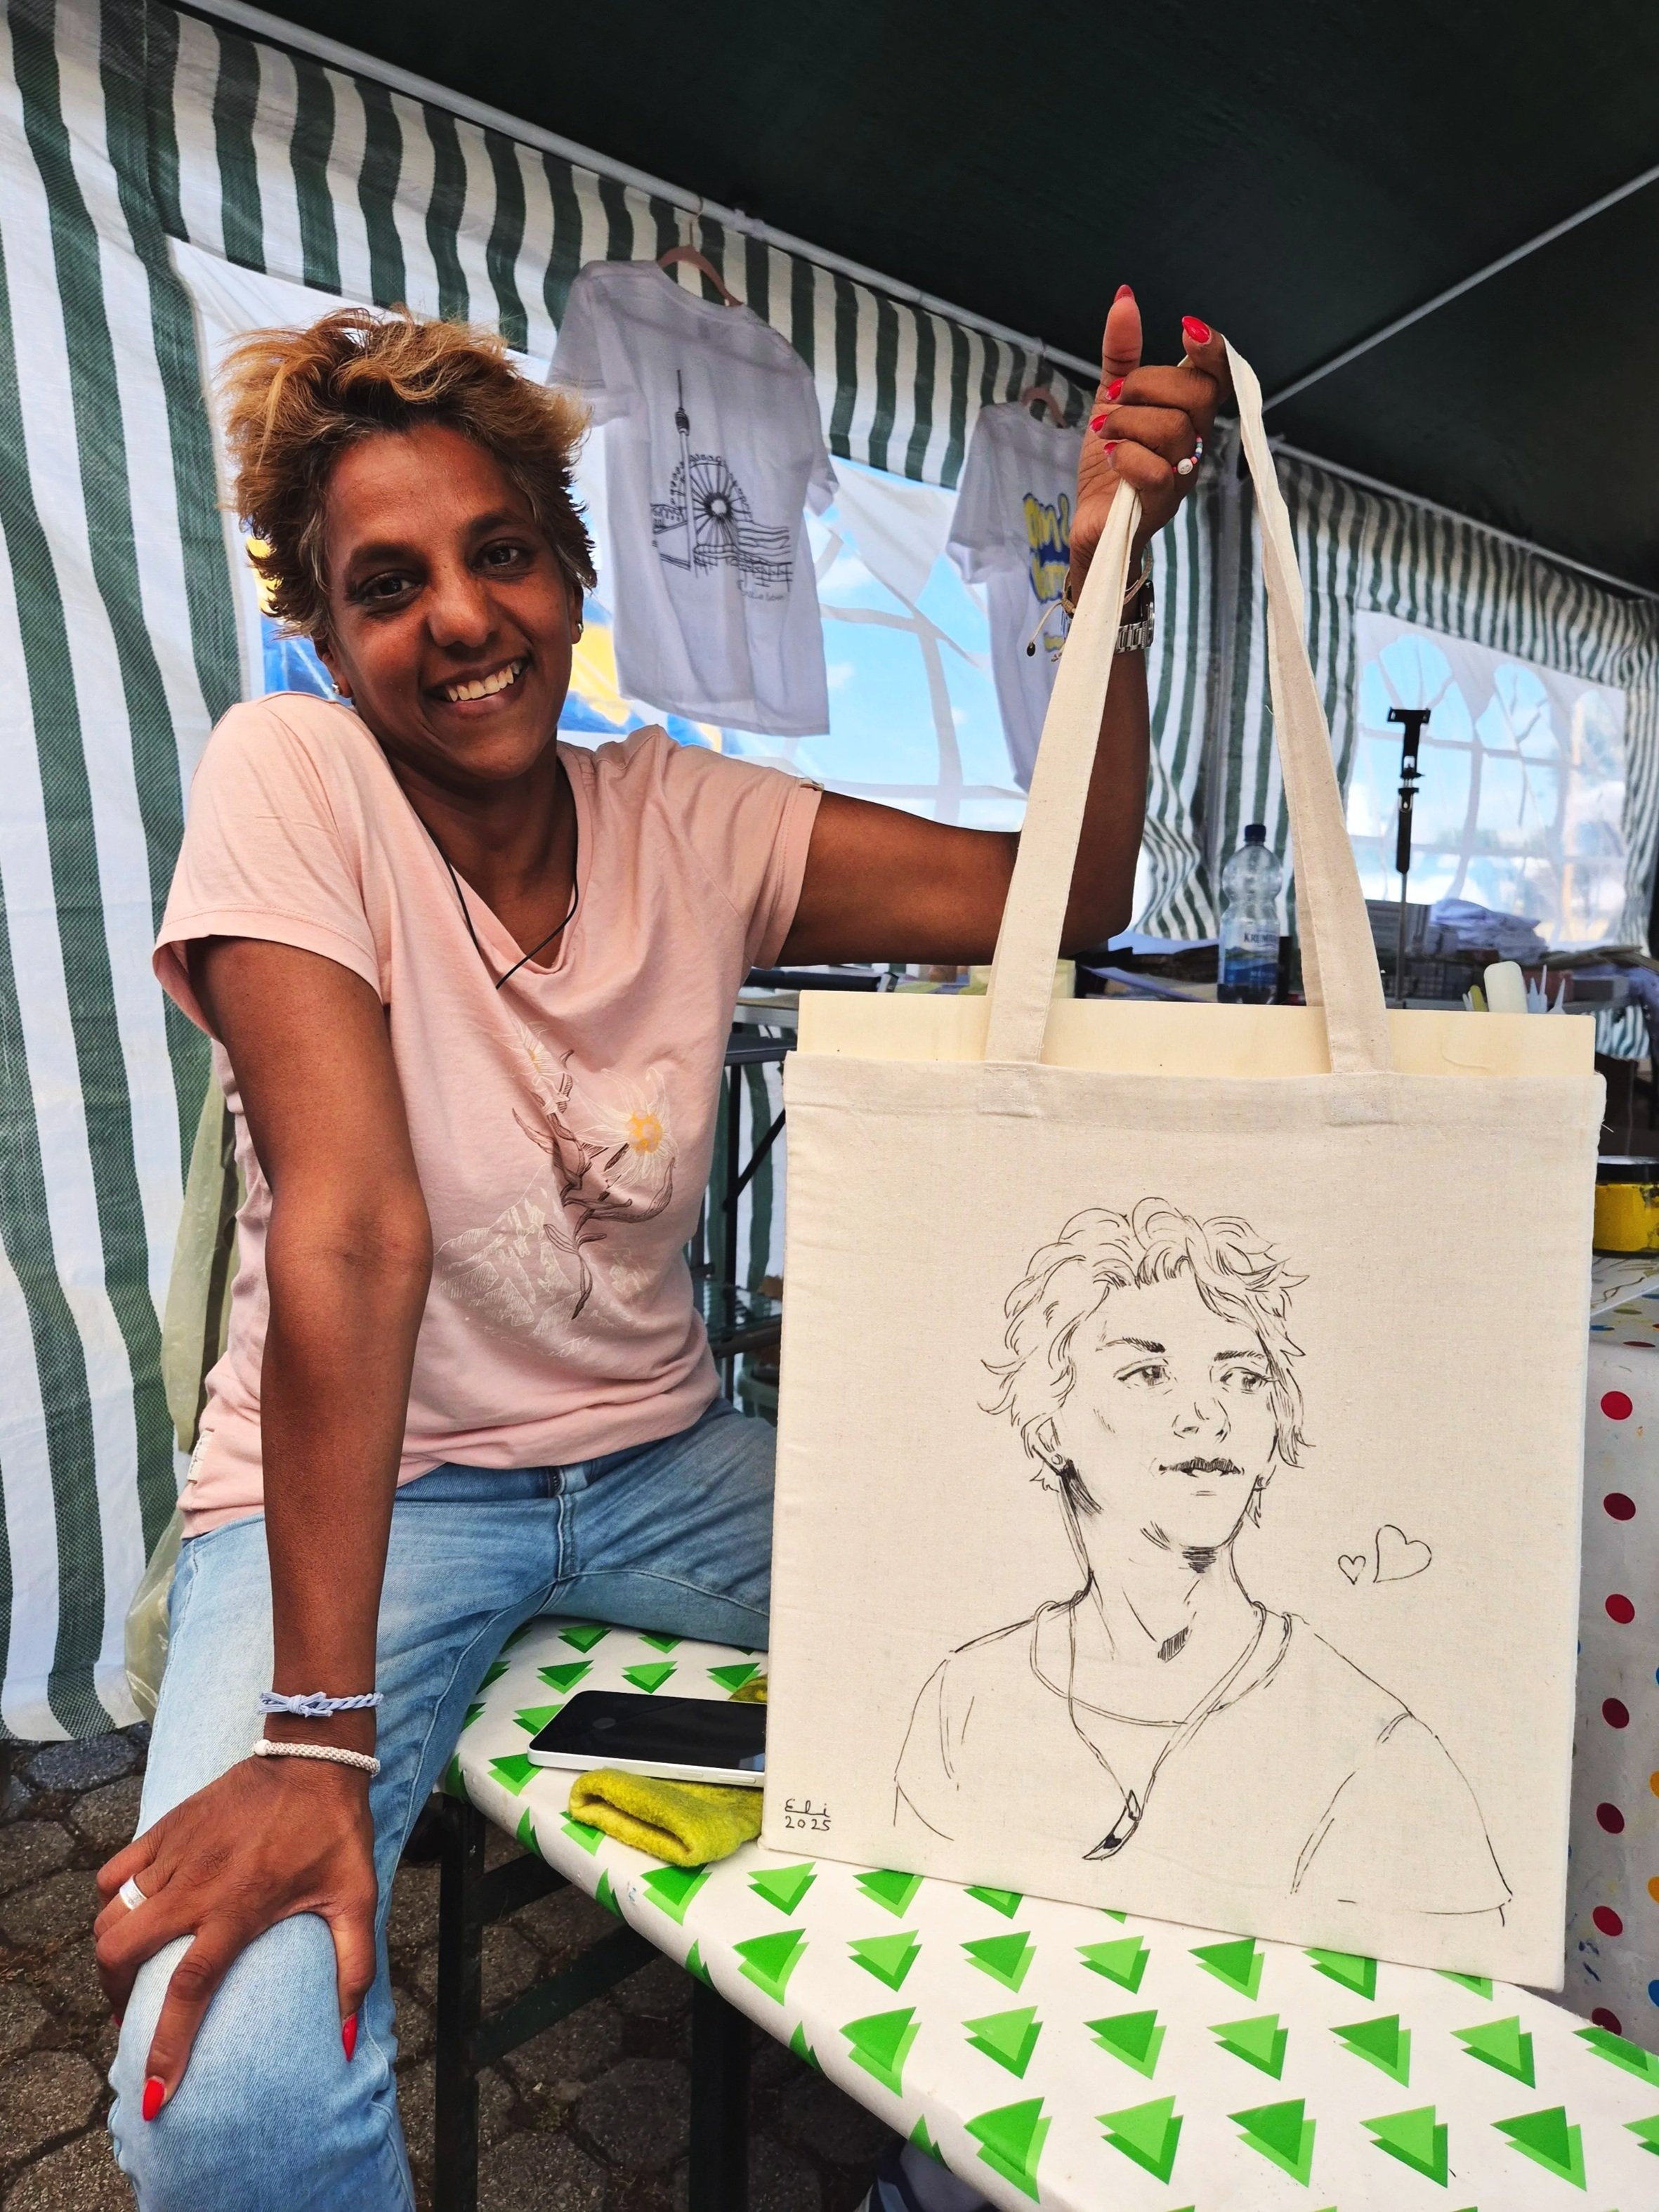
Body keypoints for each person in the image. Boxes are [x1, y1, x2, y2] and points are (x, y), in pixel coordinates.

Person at [94, 294, 1227, 2211]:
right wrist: (308, 1734)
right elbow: (356, 1225)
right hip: (370, 1496)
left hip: (663, 1466)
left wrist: (1113, 568)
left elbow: (1067, 895)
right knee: (228, 2103)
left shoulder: (686, 818)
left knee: (1148, 1690)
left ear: (572, 572)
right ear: (324, 633)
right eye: (388, 584)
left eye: (502, 552)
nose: (459, 616)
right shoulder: (290, 781)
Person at [894, 1200, 1509, 1926]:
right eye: (1148, 1371)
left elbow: (1434, 2018)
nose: (1209, 1413)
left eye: (1244, 1377)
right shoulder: (966, 1695)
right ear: (1047, 1420)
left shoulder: (1375, 1752)